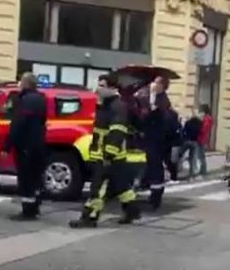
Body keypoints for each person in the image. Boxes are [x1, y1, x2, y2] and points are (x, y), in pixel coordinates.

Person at [69, 73, 140, 227]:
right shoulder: (106, 105)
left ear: (111, 88)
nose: (98, 88)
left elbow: (117, 132)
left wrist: (108, 154)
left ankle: (89, 217)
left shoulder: (117, 106)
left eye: (102, 85)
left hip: (109, 156)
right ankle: (132, 211)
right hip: (107, 155)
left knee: (98, 188)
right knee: (121, 186)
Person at [1, 72, 48, 220]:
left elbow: (18, 125)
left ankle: (28, 211)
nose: (18, 84)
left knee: (26, 179)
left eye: (20, 82)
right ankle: (34, 209)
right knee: (34, 178)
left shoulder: (25, 101)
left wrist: (6, 146)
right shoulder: (40, 99)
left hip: (25, 145)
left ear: (26, 83)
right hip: (37, 143)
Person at [144, 75, 172, 210]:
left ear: (162, 85)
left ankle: (156, 197)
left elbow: (159, 116)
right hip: (153, 138)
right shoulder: (156, 98)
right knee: (153, 167)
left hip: (157, 139)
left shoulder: (162, 100)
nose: (153, 85)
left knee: (155, 167)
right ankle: (154, 193)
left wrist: (152, 109)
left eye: (156, 82)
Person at [179, 109, 203, 179]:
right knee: (193, 158)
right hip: (195, 142)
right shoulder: (200, 123)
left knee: (180, 154)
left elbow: (184, 131)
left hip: (187, 141)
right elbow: (201, 132)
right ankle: (192, 174)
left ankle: (178, 167)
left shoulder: (188, 122)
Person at [196, 104, 214, 176]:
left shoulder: (207, 119)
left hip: (201, 138)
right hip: (202, 138)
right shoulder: (207, 118)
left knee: (201, 155)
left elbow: (203, 129)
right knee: (200, 155)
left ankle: (203, 170)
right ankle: (202, 170)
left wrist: (198, 127)